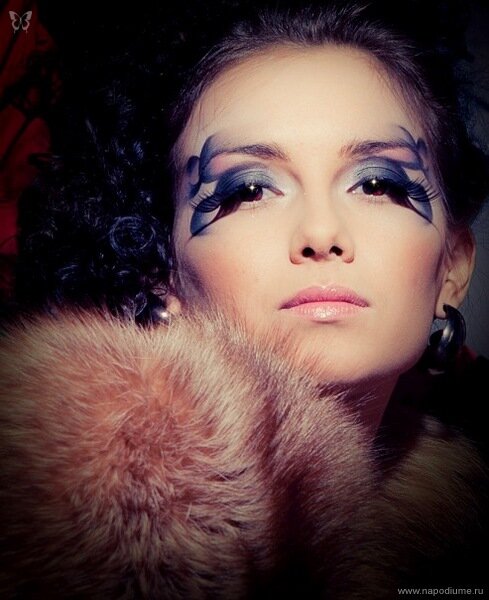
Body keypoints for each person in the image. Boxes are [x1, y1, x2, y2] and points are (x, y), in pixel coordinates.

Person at [1, 0, 488, 597]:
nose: (320, 232)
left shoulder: (457, 531)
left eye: (377, 183)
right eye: (250, 190)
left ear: (453, 268)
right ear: (164, 275)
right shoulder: (78, 527)